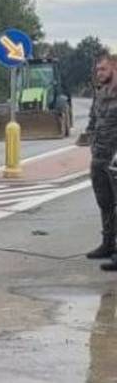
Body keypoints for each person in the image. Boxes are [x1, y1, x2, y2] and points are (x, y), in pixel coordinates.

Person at [84, 56, 117, 269]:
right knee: (104, 201)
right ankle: (108, 243)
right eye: (97, 70)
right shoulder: (99, 93)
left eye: (103, 69)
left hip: (115, 157)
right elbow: (93, 121)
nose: (99, 73)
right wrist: (89, 139)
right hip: (99, 156)